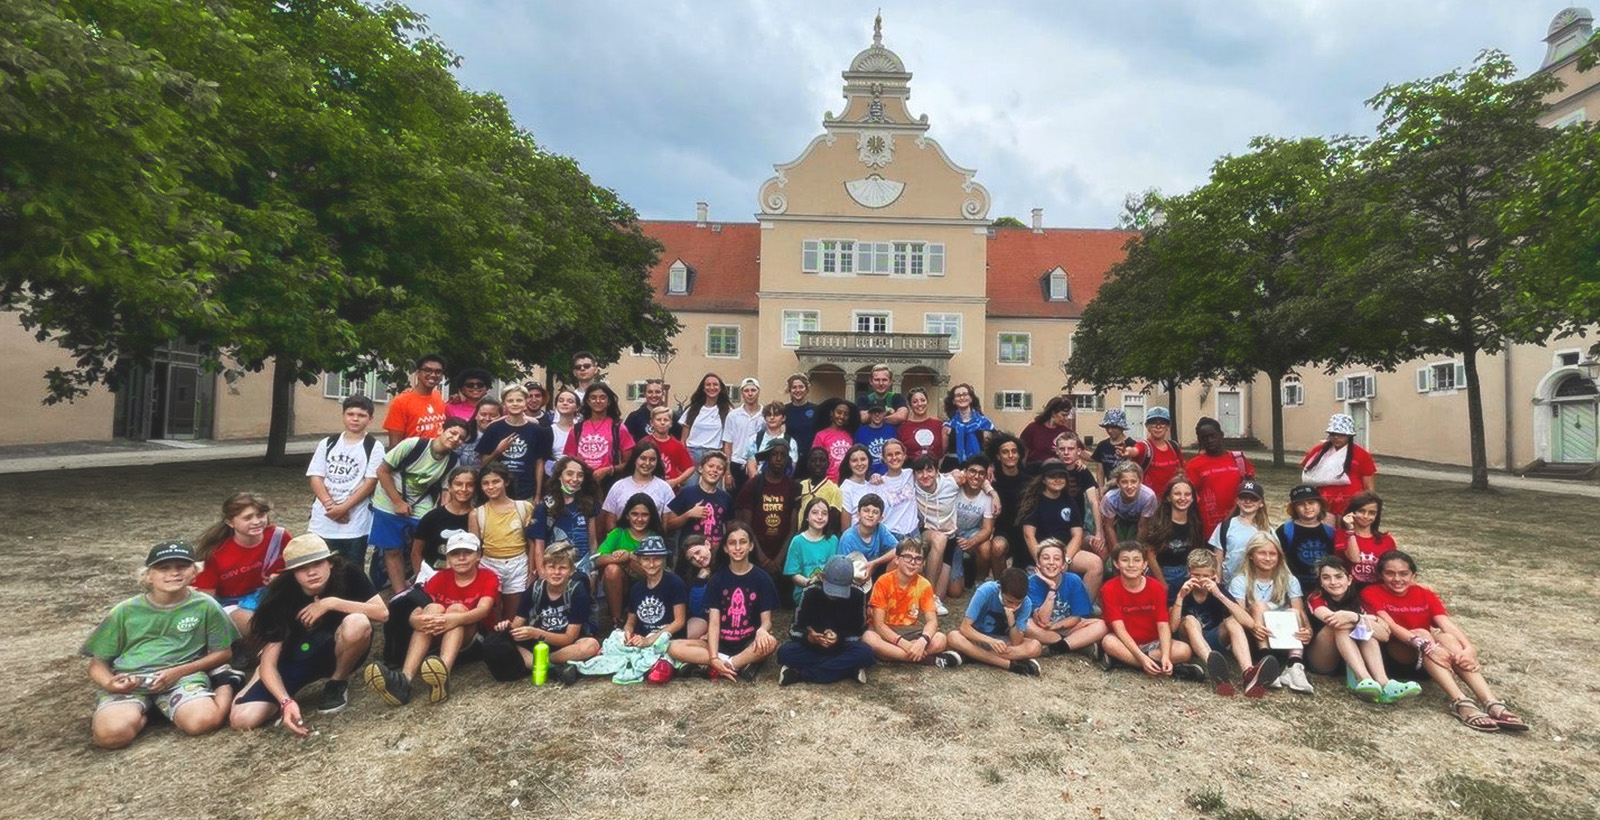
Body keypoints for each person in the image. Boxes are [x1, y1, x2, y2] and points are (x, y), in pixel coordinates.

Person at [82, 541, 238, 749]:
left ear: (195, 571)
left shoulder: (206, 606)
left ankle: (225, 682)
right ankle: (146, 712)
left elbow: (223, 653)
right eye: (163, 568)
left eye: (181, 567)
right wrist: (110, 683)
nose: (173, 573)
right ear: (148, 576)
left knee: (203, 723)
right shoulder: (124, 611)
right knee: (110, 737)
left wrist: (176, 672)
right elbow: (97, 664)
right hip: (133, 680)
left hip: (182, 676)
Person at [230, 535, 386, 732]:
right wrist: (285, 702)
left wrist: (330, 603)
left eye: (318, 563)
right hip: (296, 656)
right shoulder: (280, 595)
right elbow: (269, 661)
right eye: (302, 568)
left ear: (330, 562)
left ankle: (337, 682)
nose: (312, 572)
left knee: (358, 621)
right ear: (292, 573)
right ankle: (235, 682)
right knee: (241, 719)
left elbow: (382, 613)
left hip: (338, 647)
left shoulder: (349, 573)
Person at [1364, 550, 1528, 733]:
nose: (1397, 579)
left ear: (1413, 575)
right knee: (1422, 633)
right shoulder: (1372, 592)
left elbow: (1446, 624)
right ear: (1380, 575)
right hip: (1399, 655)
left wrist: (1469, 649)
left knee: (1448, 638)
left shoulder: (1424, 594)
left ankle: (1491, 702)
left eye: (1403, 573)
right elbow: (1391, 625)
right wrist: (1426, 645)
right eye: (1390, 573)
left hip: (1431, 662)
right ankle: (1460, 701)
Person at [365, 532, 498, 706]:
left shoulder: (488, 577)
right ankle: (404, 680)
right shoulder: (439, 577)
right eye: (456, 554)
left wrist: (454, 619)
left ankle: (443, 674)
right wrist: (415, 620)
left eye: (468, 553)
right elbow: (421, 608)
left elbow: (483, 611)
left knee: (456, 610)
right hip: (440, 634)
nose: (462, 558)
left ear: (478, 555)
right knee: (433, 609)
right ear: (448, 558)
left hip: (472, 638)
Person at [668, 522, 780, 681]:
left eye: (743, 542)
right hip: (721, 642)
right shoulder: (717, 580)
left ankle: (730, 663)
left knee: (771, 642)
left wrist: (762, 631)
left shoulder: (762, 579)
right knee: (673, 647)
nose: (738, 547)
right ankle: (736, 663)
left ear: (751, 546)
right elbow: (713, 623)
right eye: (732, 543)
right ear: (726, 549)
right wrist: (713, 656)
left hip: (748, 641)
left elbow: (766, 621)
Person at [387, 467, 475, 668]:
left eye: (469, 484)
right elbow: (416, 552)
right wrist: (421, 577)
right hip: (432, 576)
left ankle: (442, 656)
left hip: (464, 578)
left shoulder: (477, 516)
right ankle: (396, 662)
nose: (464, 489)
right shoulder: (433, 517)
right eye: (458, 484)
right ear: (449, 487)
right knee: (403, 605)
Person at [370, 417, 469, 593]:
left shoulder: (453, 461)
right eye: (453, 433)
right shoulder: (413, 445)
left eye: (461, 438)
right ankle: (399, 592)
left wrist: (441, 514)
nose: (456, 439)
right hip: (388, 498)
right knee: (392, 549)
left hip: (421, 501)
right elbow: (382, 470)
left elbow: (447, 490)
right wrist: (397, 502)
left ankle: (422, 583)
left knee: (426, 541)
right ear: (441, 429)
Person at [1305, 556, 1419, 704]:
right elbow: (1332, 619)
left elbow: (1384, 635)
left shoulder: (1359, 598)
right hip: (1322, 659)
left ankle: (1383, 683)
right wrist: (1364, 619)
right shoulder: (1316, 596)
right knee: (1341, 627)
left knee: (1365, 629)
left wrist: (1355, 618)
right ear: (1320, 582)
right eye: (1326, 578)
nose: (1333, 582)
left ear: (1349, 579)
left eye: (1339, 577)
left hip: (1349, 658)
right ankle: (1363, 678)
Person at [486, 542, 599, 685]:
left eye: (562, 568)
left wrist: (534, 633)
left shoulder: (577, 592)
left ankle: (537, 663)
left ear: (571, 571)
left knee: (591, 645)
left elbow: (569, 638)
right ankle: (554, 670)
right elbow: (516, 625)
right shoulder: (535, 589)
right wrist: (506, 627)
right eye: (551, 567)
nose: (556, 573)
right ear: (544, 568)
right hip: (537, 644)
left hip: (562, 644)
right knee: (493, 641)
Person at [1169, 549, 1264, 697]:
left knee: (1233, 622)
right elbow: (1173, 626)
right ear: (1189, 572)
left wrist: (1219, 595)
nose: (1200, 580)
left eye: (1205, 576)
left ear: (1214, 574)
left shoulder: (1218, 589)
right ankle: (1214, 668)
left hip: (1212, 638)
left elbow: (1249, 623)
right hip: (1187, 639)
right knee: (1189, 620)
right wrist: (1180, 597)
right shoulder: (1177, 586)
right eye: (1196, 575)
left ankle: (1249, 672)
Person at [195, 492, 292, 636]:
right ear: (230, 522)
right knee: (253, 625)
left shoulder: (279, 536)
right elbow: (206, 597)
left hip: (273, 594)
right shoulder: (216, 553)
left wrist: (281, 578)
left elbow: (299, 567)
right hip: (232, 603)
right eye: (247, 518)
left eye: (261, 515)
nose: (256, 521)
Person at [307, 395, 384, 570]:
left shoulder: (374, 446)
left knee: (351, 570)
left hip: (355, 522)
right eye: (350, 414)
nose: (355, 419)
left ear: (370, 418)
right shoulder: (328, 443)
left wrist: (344, 508)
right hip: (323, 519)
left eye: (361, 415)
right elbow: (316, 476)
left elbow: (370, 482)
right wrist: (330, 506)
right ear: (343, 415)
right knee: (320, 566)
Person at [1230, 533, 1314, 694]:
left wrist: (1308, 630)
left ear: (1279, 557)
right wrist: (1254, 625)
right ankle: (1265, 661)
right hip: (1256, 635)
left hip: (1282, 636)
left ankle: (1294, 665)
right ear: (1251, 556)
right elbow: (1238, 614)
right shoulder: (1240, 580)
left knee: (1293, 611)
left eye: (1272, 554)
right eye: (1262, 553)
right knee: (1259, 606)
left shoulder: (1289, 580)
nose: (1268, 558)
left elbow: (1300, 611)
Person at [777, 555, 875, 685]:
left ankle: (800, 674)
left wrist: (838, 638)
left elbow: (858, 632)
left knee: (865, 653)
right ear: (823, 578)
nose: (834, 594)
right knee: (784, 652)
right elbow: (794, 629)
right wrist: (809, 638)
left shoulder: (857, 594)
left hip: (842, 646)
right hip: (812, 647)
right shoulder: (810, 591)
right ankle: (846, 669)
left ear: (850, 582)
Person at [1096, 543, 1190, 678]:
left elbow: (1163, 625)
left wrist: (1165, 656)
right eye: (1125, 560)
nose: (1131, 565)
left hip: (1153, 643)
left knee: (1185, 650)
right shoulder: (1109, 588)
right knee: (1108, 642)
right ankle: (1155, 666)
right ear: (1116, 564)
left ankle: (1123, 661)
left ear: (1145, 564)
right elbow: (1119, 629)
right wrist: (1141, 658)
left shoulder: (1156, 587)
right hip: (1125, 643)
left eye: (1136, 560)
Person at [863, 539, 960, 667]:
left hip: (909, 630)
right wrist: (905, 644)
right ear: (897, 560)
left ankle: (895, 655)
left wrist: (922, 641)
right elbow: (879, 625)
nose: (913, 563)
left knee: (940, 639)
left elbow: (932, 621)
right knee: (868, 638)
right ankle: (928, 660)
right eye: (908, 557)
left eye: (918, 559)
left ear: (922, 563)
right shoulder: (883, 582)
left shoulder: (924, 585)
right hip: (885, 630)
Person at [1017, 459, 1100, 598]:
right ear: (1044, 479)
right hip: (1041, 552)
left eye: (1061, 476)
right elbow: (1028, 535)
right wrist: (1041, 560)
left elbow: (1077, 535)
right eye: (1052, 476)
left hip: (1065, 551)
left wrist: (1066, 559)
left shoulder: (1069, 501)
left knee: (1096, 564)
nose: (1057, 480)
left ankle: (1083, 607)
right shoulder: (1033, 501)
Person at [467, 462, 535, 622]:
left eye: (495, 481)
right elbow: (474, 549)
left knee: (513, 616)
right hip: (489, 563)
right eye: (485, 483)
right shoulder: (477, 513)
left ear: (506, 482)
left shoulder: (524, 507)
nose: (491, 487)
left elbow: (531, 543)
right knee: (491, 613)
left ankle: (509, 643)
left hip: (518, 563)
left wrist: (532, 570)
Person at [946, 568, 1044, 676]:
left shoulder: (1026, 603)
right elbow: (965, 628)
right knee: (953, 637)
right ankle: (1007, 664)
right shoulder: (986, 591)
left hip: (1003, 644)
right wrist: (990, 641)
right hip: (978, 638)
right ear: (1001, 589)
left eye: (1018, 603)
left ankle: (972, 655)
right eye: (1010, 601)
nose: (1014, 606)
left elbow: (1017, 642)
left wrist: (1011, 621)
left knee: (1035, 646)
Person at [1024, 540, 1108, 657]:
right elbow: (1043, 621)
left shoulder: (1073, 580)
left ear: (1063, 564)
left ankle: (1059, 646)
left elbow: (1076, 618)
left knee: (1102, 625)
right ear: (1038, 563)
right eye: (1046, 558)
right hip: (1042, 628)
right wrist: (1052, 589)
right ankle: (1076, 644)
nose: (1051, 563)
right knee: (1025, 624)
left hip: (1067, 626)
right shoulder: (1032, 583)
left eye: (1057, 559)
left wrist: (1055, 626)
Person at [735, 439, 798, 584]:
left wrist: (778, 560)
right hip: (756, 553)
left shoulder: (793, 487)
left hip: (782, 555)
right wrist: (762, 559)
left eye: (783, 455)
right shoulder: (754, 484)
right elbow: (745, 525)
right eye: (775, 454)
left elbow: (793, 528)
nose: (779, 458)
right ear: (768, 457)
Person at [596, 493, 664, 628]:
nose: (639, 519)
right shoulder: (618, 533)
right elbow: (597, 560)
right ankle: (617, 620)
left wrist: (631, 557)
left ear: (651, 517)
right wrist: (621, 558)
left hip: (647, 588)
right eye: (634, 514)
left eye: (645, 515)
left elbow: (658, 573)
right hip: (621, 588)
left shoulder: (655, 538)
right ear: (627, 515)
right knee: (611, 569)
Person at [475, 386, 550, 501]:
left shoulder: (536, 430)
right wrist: (498, 450)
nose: (515, 404)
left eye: (519, 400)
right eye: (510, 401)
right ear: (504, 405)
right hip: (497, 491)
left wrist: (538, 494)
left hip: (526, 491)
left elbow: (539, 463)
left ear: (525, 403)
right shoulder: (494, 429)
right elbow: (483, 463)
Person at [529, 456, 600, 579]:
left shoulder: (588, 504)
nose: (575, 479)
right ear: (559, 476)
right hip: (555, 569)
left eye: (580, 475)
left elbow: (592, 542)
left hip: (582, 568)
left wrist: (593, 572)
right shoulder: (545, 506)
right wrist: (543, 575)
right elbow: (539, 546)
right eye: (569, 474)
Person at [1186, 417, 1256, 540]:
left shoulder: (1239, 459)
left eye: (1213, 436)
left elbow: (1253, 491)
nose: (1210, 440)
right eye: (1204, 438)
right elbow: (1188, 497)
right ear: (1199, 440)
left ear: (1221, 435)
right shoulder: (1194, 465)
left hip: (1239, 525)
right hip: (1209, 531)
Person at [1301, 413, 1378, 518]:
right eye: (1333, 434)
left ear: (1349, 436)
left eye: (1341, 434)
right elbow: (1307, 472)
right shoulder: (1318, 450)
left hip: (1351, 505)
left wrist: (1368, 506)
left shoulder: (1361, 454)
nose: (1336, 437)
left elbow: (1369, 486)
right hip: (1323, 505)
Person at [1141, 476, 1205, 598]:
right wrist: (1162, 584)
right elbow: (1150, 554)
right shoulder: (1159, 522)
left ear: (1192, 498)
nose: (1182, 498)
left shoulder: (1195, 522)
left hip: (1185, 573)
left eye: (1187, 494)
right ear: (1168, 497)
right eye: (1177, 494)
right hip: (1161, 572)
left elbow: (1195, 552)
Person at [599, 441, 676, 540]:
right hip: (621, 545)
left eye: (652, 459)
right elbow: (610, 521)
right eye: (643, 458)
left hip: (652, 545)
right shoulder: (618, 486)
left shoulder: (664, 487)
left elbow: (665, 523)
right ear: (635, 460)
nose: (647, 463)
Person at [565, 382, 634, 484]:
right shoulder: (577, 429)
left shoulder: (618, 428)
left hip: (608, 481)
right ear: (588, 401)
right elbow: (569, 459)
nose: (598, 401)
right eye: (593, 397)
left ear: (609, 401)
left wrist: (609, 470)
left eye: (602, 397)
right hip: (581, 482)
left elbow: (629, 462)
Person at [954, 455, 1008, 586]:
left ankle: (980, 581)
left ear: (985, 478)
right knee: (955, 592)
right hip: (951, 533)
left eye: (981, 473)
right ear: (965, 472)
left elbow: (987, 529)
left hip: (971, 532)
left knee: (985, 547)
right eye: (972, 471)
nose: (976, 476)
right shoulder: (955, 488)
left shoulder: (987, 499)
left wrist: (972, 542)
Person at [665, 451, 735, 552]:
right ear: (701, 468)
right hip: (690, 553)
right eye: (710, 466)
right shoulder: (687, 493)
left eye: (719, 468)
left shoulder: (726, 498)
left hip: (715, 554)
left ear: (723, 474)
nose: (714, 470)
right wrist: (688, 514)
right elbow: (669, 525)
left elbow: (728, 527)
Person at [1276, 485, 1339, 595]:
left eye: (1311, 502)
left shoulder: (1330, 532)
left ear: (1320, 505)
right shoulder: (1285, 530)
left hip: (1322, 586)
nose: (1307, 507)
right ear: (1294, 508)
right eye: (1301, 504)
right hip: (1293, 586)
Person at [987, 433, 1037, 571]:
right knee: (997, 547)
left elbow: (1052, 465)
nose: (1010, 455)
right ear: (998, 456)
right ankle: (1000, 586)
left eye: (1014, 451)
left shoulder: (1030, 479)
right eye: (1005, 452)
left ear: (1019, 455)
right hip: (1004, 530)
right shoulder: (992, 480)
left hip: (1027, 531)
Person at [1207, 478, 1270, 583]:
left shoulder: (1267, 530)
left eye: (1253, 498)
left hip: (1257, 585)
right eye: (1243, 497)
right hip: (1228, 584)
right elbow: (1217, 559)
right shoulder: (1225, 527)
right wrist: (1218, 584)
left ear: (1261, 503)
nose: (1247, 501)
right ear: (1237, 500)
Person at [382, 354, 448, 447]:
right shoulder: (401, 401)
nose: (433, 375)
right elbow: (394, 445)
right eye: (428, 370)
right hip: (412, 458)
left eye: (438, 372)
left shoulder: (438, 396)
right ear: (418, 373)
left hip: (437, 458)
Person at [783, 498, 840, 605]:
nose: (819, 517)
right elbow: (793, 574)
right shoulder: (797, 541)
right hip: (805, 591)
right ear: (806, 517)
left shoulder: (833, 540)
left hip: (830, 591)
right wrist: (809, 582)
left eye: (824, 513)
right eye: (814, 513)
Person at [1099, 461, 1159, 554]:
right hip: (1118, 520)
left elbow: (1143, 526)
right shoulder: (1110, 498)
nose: (1129, 486)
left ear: (1140, 482)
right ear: (1118, 483)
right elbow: (1108, 527)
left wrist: (1137, 550)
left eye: (1133, 482)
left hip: (1139, 521)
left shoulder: (1148, 496)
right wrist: (1117, 552)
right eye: (1124, 482)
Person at [1124, 406, 1183, 494]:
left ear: (1168, 426)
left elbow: (1181, 470)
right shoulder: (1144, 446)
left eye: (1162, 423)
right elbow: (1135, 450)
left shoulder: (1174, 447)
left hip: (1170, 501)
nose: (1158, 427)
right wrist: (1127, 451)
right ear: (1147, 426)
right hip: (1148, 501)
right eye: (1153, 423)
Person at [837, 493, 899, 577]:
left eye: (875, 512)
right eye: (866, 511)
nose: (870, 515)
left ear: (881, 518)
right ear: (858, 514)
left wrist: (874, 563)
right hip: (854, 576)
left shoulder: (880, 529)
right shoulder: (847, 538)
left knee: (897, 561)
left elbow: (898, 549)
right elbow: (841, 567)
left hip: (875, 570)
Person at [1339, 492, 1394, 585]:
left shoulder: (1386, 540)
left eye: (1372, 513)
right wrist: (1350, 529)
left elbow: (1392, 569)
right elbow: (1354, 558)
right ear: (1352, 512)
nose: (1366, 516)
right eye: (1361, 511)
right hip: (1350, 589)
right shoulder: (1342, 534)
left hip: (1376, 589)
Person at [722, 377, 765, 493]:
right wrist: (728, 472)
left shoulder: (766, 415)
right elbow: (728, 445)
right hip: (737, 464)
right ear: (742, 393)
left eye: (753, 390)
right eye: (746, 391)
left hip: (759, 465)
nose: (750, 394)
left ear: (758, 391)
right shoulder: (733, 416)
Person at [679, 373, 731, 469]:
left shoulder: (727, 411)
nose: (711, 387)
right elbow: (683, 440)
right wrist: (684, 458)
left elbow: (728, 441)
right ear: (703, 388)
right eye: (708, 384)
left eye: (715, 384)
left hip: (715, 455)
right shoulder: (692, 409)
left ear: (721, 388)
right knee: (691, 484)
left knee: (714, 484)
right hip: (693, 454)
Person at [741, 401, 798, 479]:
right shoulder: (755, 439)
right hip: (758, 484)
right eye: (769, 414)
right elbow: (751, 464)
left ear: (784, 418)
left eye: (776, 414)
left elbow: (792, 467)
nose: (772, 418)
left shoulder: (791, 442)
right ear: (764, 417)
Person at [943, 383, 994, 469]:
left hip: (979, 467)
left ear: (971, 399)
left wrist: (990, 466)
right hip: (953, 469)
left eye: (965, 394)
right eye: (958, 395)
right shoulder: (947, 426)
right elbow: (943, 451)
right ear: (953, 401)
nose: (962, 398)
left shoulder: (985, 423)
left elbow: (990, 450)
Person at [794, 446, 845, 532]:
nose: (818, 463)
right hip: (800, 537)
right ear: (808, 463)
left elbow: (834, 522)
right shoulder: (800, 486)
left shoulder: (834, 490)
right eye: (813, 460)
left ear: (828, 463)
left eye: (822, 460)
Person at [646, 406, 696, 488]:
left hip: (671, 489)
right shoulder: (645, 443)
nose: (662, 423)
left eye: (666, 420)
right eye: (658, 420)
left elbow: (690, 468)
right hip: (648, 486)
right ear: (651, 423)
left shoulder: (677, 445)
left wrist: (676, 481)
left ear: (671, 423)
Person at [811, 397, 859, 481]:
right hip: (827, 481)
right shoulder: (821, 435)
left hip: (847, 480)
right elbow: (815, 460)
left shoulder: (850, 436)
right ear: (832, 413)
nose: (842, 416)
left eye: (846, 414)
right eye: (839, 412)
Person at [676, 536, 715, 640]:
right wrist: (700, 581)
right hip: (705, 616)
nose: (697, 559)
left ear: (707, 544)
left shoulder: (725, 564)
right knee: (686, 635)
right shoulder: (693, 574)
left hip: (727, 617)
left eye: (698, 552)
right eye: (692, 559)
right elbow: (696, 610)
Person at [1020, 396, 1075, 463]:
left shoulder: (1067, 432)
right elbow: (1023, 451)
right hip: (1034, 469)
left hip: (1056, 469)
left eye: (1067, 415)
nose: (1066, 418)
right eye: (1063, 415)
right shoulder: (1033, 428)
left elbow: (1081, 451)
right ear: (1053, 414)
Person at [897, 387, 945, 464]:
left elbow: (944, 451)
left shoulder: (939, 425)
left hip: (935, 469)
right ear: (910, 405)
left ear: (927, 402)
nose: (920, 404)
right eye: (915, 401)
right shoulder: (903, 428)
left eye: (923, 400)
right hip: (911, 470)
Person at [783, 374, 818, 474]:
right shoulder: (785, 410)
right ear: (790, 390)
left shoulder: (816, 409)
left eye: (801, 387)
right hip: (791, 457)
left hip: (810, 458)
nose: (797, 390)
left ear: (806, 389)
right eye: (794, 387)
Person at [457, 396, 503, 469]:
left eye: (493, 415)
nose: (487, 419)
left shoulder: (505, 435)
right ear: (476, 415)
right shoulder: (465, 434)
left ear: (500, 417)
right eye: (483, 414)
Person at [854, 399, 898, 473]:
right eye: (874, 412)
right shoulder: (860, 432)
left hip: (889, 474)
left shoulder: (892, 430)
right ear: (869, 414)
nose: (877, 414)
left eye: (880, 412)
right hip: (868, 475)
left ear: (884, 413)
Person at [1090, 408, 1134, 479]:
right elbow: (1100, 471)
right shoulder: (1102, 445)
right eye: (1107, 427)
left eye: (1113, 427)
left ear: (1121, 427)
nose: (1109, 430)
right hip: (1109, 488)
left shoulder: (1132, 444)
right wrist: (1101, 488)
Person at [547, 388, 581, 477]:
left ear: (577, 407)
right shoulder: (548, 431)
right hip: (555, 475)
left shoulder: (582, 430)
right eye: (561, 401)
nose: (565, 403)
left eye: (570, 401)